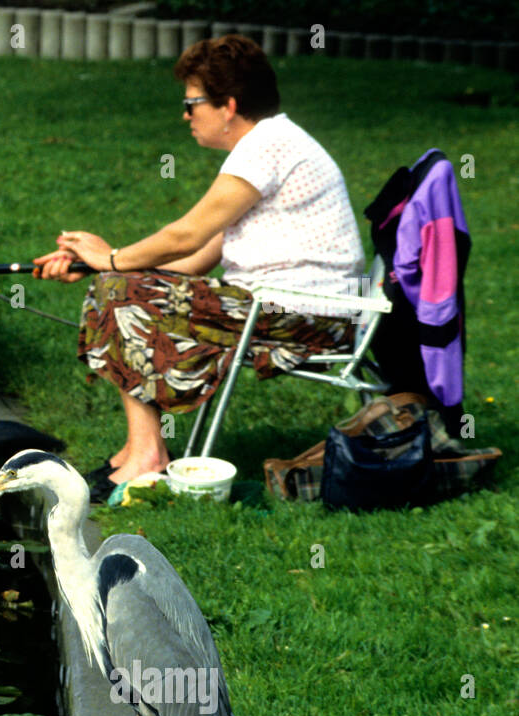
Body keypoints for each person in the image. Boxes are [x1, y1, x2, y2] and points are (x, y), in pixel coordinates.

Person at [35, 35, 365, 494]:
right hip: (287, 307)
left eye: (192, 104)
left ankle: (147, 455)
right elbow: (197, 257)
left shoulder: (266, 148)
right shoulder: (270, 144)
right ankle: (139, 452)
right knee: (115, 286)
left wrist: (109, 260)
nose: (185, 115)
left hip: (305, 315)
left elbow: (183, 235)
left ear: (227, 106)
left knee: (117, 290)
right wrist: (99, 266)